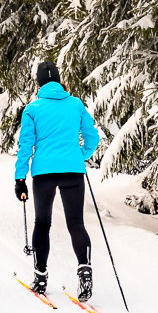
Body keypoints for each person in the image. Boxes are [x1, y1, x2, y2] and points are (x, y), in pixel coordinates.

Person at [14, 62, 101, 298]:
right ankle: (84, 270)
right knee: (76, 223)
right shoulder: (76, 104)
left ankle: (40, 278)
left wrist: (19, 177)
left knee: (42, 223)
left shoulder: (32, 109)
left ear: (39, 83)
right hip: (73, 171)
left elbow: (26, 146)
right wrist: (79, 156)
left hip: (43, 173)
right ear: (59, 81)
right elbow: (93, 136)